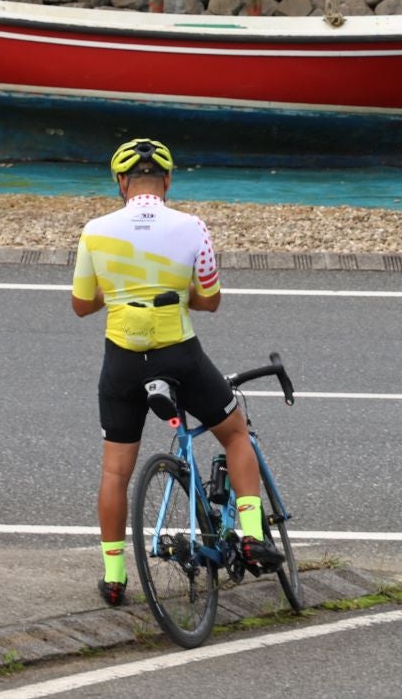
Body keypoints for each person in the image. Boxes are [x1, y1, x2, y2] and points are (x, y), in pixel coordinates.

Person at [71, 137, 284, 607]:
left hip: (123, 359)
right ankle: (250, 535)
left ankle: (113, 577)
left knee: (114, 472)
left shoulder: (95, 230)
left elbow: (82, 305)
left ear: (121, 183)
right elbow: (210, 299)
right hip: (178, 354)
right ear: (167, 181)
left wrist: (123, 295)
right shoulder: (193, 227)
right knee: (234, 433)